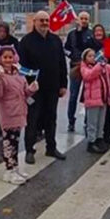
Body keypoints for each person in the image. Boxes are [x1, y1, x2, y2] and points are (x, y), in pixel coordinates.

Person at [18, 11, 68, 164]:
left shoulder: (55, 40)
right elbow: (22, 67)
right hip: (34, 90)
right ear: (34, 22)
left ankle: (51, 147)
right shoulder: (26, 41)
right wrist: (27, 87)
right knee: (32, 120)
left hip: (52, 87)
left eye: (47, 20)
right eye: (41, 20)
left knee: (51, 118)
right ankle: (29, 150)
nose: (45, 23)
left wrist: (63, 85)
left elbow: (61, 64)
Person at [0, 45, 39, 185]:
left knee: (15, 142)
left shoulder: (18, 73)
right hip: (8, 113)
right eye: (5, 57)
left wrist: (32, 89)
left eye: (10, 57)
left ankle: (15, 167)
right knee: (8, 143)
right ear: (0, 58)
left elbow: (24, 92)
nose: (8, 60)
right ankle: (9, 170)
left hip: (20, 111)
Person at [64, 12, 93, 132]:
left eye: (86, 18)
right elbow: (65, 48)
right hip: (75, 66)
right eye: (82, 18)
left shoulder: (91, 34)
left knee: (88, 96)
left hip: (89, 67)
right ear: (78, 19)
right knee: (73, 95)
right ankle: (71, 120)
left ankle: (87, 120)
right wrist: (72, 55)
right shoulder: (71, 34)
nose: (84, 20)